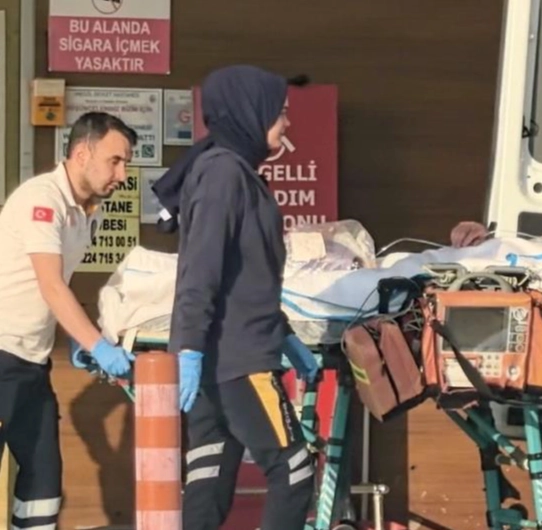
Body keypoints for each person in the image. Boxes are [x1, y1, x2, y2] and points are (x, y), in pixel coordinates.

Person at [157, 65, 318, 530]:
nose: (287, 123)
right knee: (294, 470)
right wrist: (189, 348)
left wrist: (284, 334)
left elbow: (244, 278)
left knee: (208, 481)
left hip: (219, 358)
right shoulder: (225, 174)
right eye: (280, 112)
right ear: (251, 112)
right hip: (239, 361)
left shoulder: (230, 171)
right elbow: (200, 269)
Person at [0, 111, 137, 529]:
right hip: (2, 354)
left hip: (31, 362)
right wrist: (96, 344)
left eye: (126, 163)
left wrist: (79, 338)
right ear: (81, 154)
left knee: (43, 484)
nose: (123, 174)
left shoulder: (87, 212)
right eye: (115, 161)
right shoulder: (43, 200)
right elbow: (51, 285)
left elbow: (59, 286)